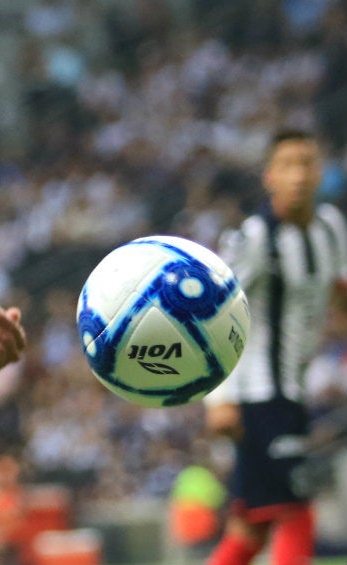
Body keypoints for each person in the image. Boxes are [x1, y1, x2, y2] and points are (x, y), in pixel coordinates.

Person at [203, 129, 347, 565]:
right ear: (269, 176)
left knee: (250, 531)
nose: (298, 175)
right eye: (287, 165)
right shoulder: (253, 237)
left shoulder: (330, 228)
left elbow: (341, 291)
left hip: (292, 394)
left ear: (320, 172)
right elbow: (209, 313)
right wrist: (218, 399)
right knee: (296, 510)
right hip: (257, 396)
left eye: (306, 164)